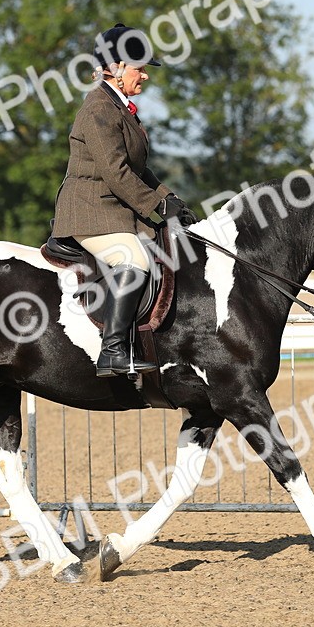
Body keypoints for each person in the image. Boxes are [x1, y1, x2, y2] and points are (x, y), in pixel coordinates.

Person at [51, 23, 198, 377]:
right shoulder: (98, 108)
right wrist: (156, 207)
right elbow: (116, 173)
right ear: (116, 67)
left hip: (112, 209)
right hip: (89, 210)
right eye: (140, 67)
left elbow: (139, 170)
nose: (145, 75)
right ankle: (114, 350)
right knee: (134, 260)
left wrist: (170, 200)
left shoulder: (121, 108)